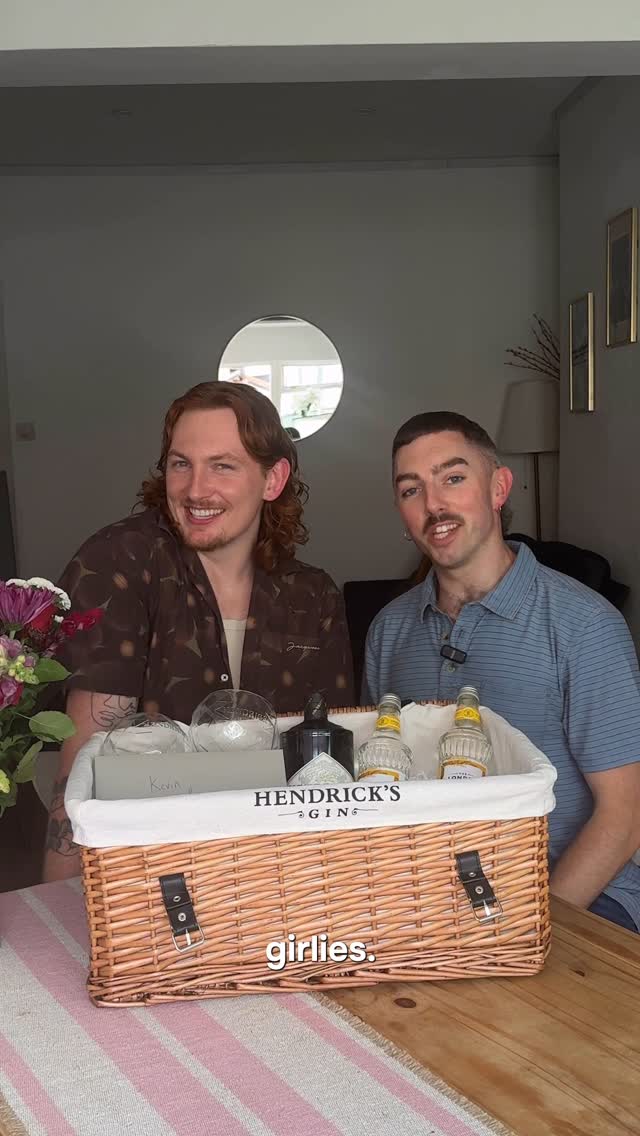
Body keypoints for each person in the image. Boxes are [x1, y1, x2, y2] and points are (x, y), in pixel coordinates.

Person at [43, 381, 354, 880]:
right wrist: (65, 901)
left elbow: (333, 763)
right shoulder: (120, 561)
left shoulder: (312, 595)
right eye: (181, 463)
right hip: (146, 869)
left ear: (273, 479)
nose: (194, 490)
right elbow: (85, 761)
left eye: (222, 466)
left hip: (281, 867)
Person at [363, 410, 640, 931]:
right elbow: (383, 782)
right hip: (435, 899)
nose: (434, 505)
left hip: (578, 896)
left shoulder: (584, 625)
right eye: (411, 490)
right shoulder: (388, 631)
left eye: (453, 478)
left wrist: (531, 926)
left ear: (498, 488)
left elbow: (626, 815)